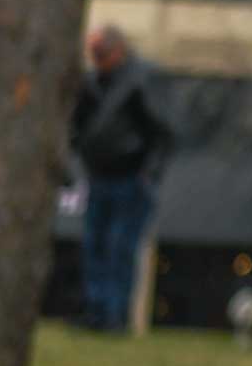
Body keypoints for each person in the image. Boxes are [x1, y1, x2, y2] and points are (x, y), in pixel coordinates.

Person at [69, 24, 174, 331]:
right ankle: (96, 311)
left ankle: (115, 315)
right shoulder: (95, 82)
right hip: (100, 175)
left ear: (118, 51)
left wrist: (148, 173)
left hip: (131, 178)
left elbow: (162, 132)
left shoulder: (140, 80)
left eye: (100, 54)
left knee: (120, 248)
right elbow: (80, 123)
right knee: (95, 245)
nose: (96, 60)